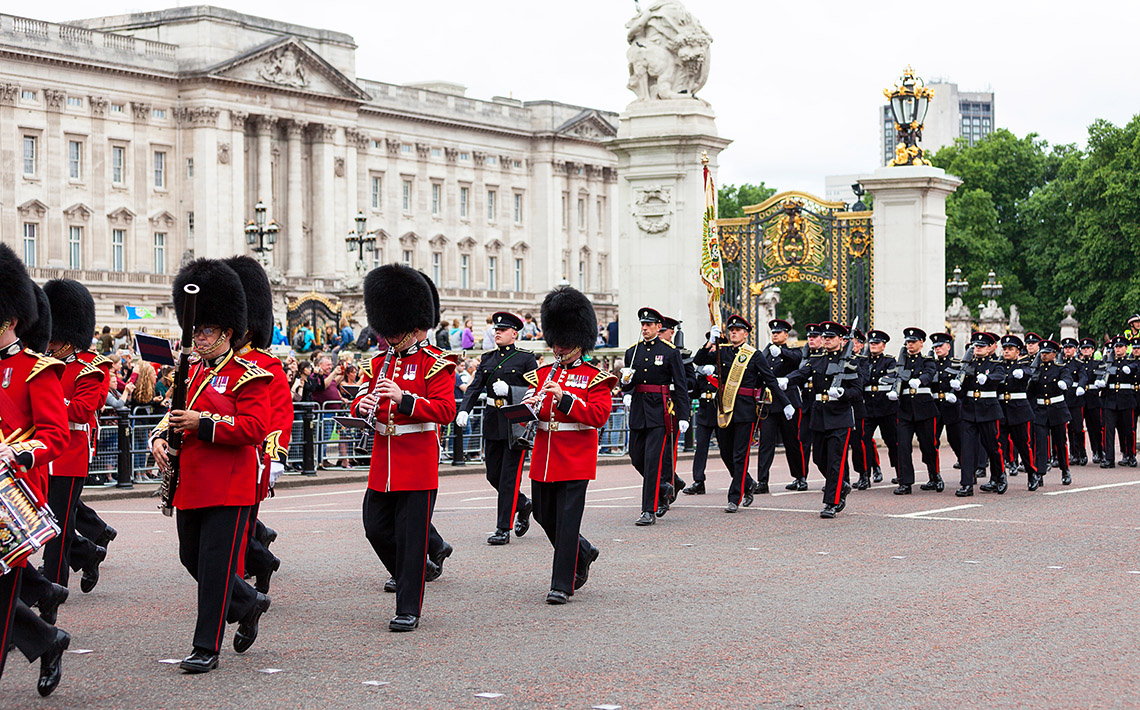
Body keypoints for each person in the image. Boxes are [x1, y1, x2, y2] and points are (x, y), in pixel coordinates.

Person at [149, 258, 273, 674]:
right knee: (191, 559)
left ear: (226, 332)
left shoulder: (248, 376)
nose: (197, 337)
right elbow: (171, 415)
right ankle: (248, 602)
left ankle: (206, 647)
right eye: (196, 329)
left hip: (228, 485)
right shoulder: (191, 373)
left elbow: (255, 427)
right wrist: (158, 440)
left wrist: (203, 424)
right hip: (192, 485)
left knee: (215, 567)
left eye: (205, 330)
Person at [351, 264, 456, 632]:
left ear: (414, 328)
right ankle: (414, 570)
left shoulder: (436, 364)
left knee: (412, 538)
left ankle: (408, 608)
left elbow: (446, 410)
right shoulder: (379, 363)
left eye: (396, 332)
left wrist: (406, 399)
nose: (389, 338)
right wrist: (360, 405)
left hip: (416, 461)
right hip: (383, 461)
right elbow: (362, 398)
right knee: (374, 527)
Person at [0, 244, 73, 696]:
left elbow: (55, 435)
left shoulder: (34, 370)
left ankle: (47, 641)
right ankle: (49, 641)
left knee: (3, 595)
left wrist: (19, 453)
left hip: (14, 499)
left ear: (8, 319)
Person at [523, 285, 612, 605]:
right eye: (556, 343)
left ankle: (562, 584)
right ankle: (583, 551)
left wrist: (567, 400)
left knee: (567, 520)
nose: (558, 349)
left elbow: (599, 416)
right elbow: (537, 414)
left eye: (564, 344)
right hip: (545, 457)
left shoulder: (596, 377)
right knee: (544, 515)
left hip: (575, 457)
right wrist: (530, 406)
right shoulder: (543, 373)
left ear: (578, 342)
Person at [36, 279, 110, 613]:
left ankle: (51, 593)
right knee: (40, 523)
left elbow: (82, 409)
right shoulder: (44, 363)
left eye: (55, 340)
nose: (49, 345)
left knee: (59, 531)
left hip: (69, 455)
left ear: (70, 337)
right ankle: (88, 553)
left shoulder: (92, 369)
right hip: (41, 456)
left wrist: (45, 407)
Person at [225, 255, 294, 595]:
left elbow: (280, 411)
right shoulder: (211, 363)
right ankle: (260, 561)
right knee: (230, 527)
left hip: (252, 456)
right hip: (217, 453)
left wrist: (276, 453)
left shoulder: (265, 364)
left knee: (235, 530)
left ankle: (234, 591)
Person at [696, 315, 793, 514]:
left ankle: (735, 497)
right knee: (725, 453)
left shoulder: (754, 355)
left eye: (738, 330)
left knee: (740, 455)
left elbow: (770, 380)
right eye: (731, 330)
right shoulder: (721, 352)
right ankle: (747, 483)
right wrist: (708, 343)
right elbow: (697, 361)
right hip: (724, 408)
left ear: (746, 334)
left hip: (745, 411)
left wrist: (786, 403)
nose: (733, 332)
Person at [456, 312, 538, 545]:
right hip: (493, 419)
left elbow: (534, 390)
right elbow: (474, 387)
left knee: (508, 479)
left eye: (502, 330)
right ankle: (523, 504)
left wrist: (512, 391)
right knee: (493, 474)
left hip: (515, 422)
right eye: (496, 329)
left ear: (515, 333)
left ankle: (503, 528)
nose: (497, 332)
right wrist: (464, 409)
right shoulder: (488, 358)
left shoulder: (526, 359)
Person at [783, 321, 862, 518]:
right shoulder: (817, 359)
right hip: (819, 415)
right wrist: (786, 380)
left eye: (831, 338)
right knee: (819, 458)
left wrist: (843, 392)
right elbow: (802, 374)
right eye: (825, 338)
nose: (826, 341)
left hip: (840, 416)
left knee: (835, 460)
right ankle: (840, 485)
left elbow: (858, 391)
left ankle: (831, 502)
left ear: (841, 340)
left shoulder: (851, 362)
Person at [620, 307, 691, 525]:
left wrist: (683, 415)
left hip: (660, 411)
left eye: (649, 325)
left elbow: (680, 385)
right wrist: (626, 385)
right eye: (642, 325)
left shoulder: (670, 352)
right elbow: (629, 383)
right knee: (636, 456)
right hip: (640, 410)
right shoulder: (632, 352)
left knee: (652, 461)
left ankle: (647, 511)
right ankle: (665, 485)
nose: (644, 328)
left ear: (658, 327)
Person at [755, 319, 808, 492]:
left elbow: (797, 360)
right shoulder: (766, 353)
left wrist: (782, 353)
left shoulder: (792, 351)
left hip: (789, 403)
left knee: (792, 442)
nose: (775, 335)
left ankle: (800, 477)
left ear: (786, 335)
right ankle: (762, 481)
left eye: (779, 332)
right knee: (766, 443)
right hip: (770, 403)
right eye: (773, 332)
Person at [954, 332, 1007, 497]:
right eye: (975, 346)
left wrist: (988, 378)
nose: (977, 349)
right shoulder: (968, 364)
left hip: (988, 411)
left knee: (992, 447)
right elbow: (964, 390)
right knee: (967, 448)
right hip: (970, 411)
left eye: (981, 346)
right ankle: (967, 484)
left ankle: (999, 476)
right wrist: (957, 388)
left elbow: (1001, 375)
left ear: (989, 348)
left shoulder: (995, 363)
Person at [892, 328, 940, 494]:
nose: (910, 344)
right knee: (903, 446)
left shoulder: (927, 360)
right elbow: (894, 376)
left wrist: (920, 381)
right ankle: (905, 482)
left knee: (928, 446)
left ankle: (934, 476)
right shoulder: (901, 362)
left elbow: (930, 373)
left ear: (921, 343)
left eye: (913, 341)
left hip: (924, 409)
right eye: (908, 342)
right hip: (905, 409)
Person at [996, 335, 1041, 491]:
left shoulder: (1024, 365)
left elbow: (1031, 373)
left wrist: (1023, 374)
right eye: (1005, 349)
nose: (1007, 352)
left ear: (1017, 352)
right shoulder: (998, 366)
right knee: (999, 446)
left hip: (1019, 410)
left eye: (1010, 349)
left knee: (1023, 445)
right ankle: (1000, 477)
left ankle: (1032, 473)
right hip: (1001, 410)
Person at [1029, 339, 1074, 486]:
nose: (1044, 355)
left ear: (1054, 354)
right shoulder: (1037, 369)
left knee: (1060, 442)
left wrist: (1064, 384)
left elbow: (1067, 378)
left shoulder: (1061, 368)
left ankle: (1065, 469)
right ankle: (1039, 473)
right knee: (1040, 443)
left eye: (1047, 353)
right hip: (1041, 410)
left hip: (1057, 409)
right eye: (1042, 353)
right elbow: (1031, 393)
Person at [860, 330, 898, 488]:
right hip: (868, 406)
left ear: (883, 346)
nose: (873, 346)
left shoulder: (889, 361)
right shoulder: (863, 361)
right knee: (864, 440)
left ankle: (899, 472)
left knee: (892, 441)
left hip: (886, 407)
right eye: (872, 343)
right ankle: (864, 475)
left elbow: (893, 377)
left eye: (877, 343)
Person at [1095, 335, 1133, 469]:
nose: (1117, 349)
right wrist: (1099, 381)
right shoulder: (1108, 362)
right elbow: (1100, 374)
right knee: (1108, 430)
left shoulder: (1130, 361)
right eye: (1116, 347)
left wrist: (1131, 370)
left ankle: (1129, 455)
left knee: (1127, 429)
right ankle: (1109, 458)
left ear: (1125, 348)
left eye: (1120, 347)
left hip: (1126, 399)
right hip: (1110, 400)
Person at [930, 332, 962, 484]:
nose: (937, 349)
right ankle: (934, 477)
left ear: (948, 347)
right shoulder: (931, 364)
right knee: (932, 442)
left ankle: (967, 470)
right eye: (935, 347)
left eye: (940, 346)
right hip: (935, 406)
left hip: (952, 407)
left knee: (956, 440)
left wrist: (957, 394)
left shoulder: (956, 364)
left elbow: (963, 384)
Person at [1078, 338, 1105, 465]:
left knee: (1096, 427)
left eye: (1088, 348)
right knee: (1078, 428)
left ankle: (1098, 451)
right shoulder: (1079, 364)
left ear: (1093, 350)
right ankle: (1080, 453)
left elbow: (1100, 376)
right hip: (1080, 399)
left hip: (1093, 398)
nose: (1086, 350)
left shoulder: (1097, 363)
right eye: (1083, 348)